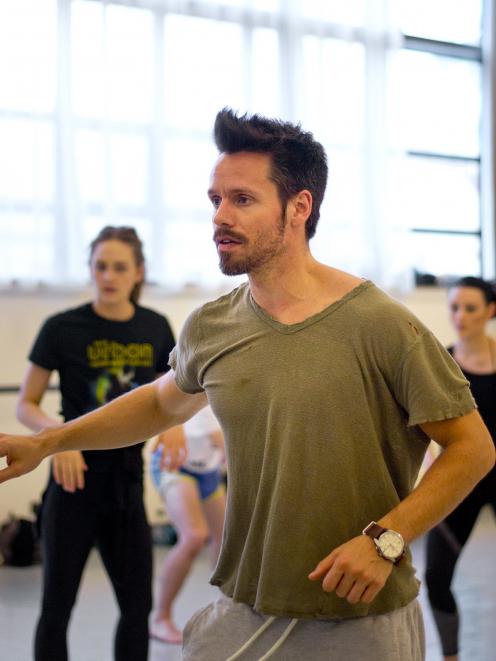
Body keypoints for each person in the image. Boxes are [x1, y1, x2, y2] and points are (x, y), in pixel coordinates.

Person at [0, 109, 494, 661]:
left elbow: (472, 448)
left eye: (242, 199)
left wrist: (386, 540)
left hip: (360, 614)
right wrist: (48, 441)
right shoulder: (213, 325)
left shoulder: (381, 324)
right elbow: (161, 403)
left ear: (299, 207)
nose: (220, 217)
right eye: (215, 200)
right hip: (245, 606)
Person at [16, 226, 176, 661]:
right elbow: (26, 404)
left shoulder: (156, 328)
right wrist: (58, 440)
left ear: (138, 272)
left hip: (126, 487)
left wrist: (174, 426)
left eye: (119, 267)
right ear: (90, 270)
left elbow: (175, 396)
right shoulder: (61, 328)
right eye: (100, 266)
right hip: (72, 486)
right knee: (56, 608)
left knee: (137, 607)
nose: (109, 276)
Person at [425, 276, 496, 661]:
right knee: (436, 578)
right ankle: (450, 656)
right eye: (454, 307)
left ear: (490, 311)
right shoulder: (442, 367)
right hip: (461, 482)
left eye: (470, 308)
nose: (460, 316)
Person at [149, 405, 226, 644]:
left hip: (208, 469)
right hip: (175, 464)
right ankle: (160, 618)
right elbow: (215, 432)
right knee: (194, 536)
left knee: (226, 539)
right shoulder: (199, 380)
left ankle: (225, 606)